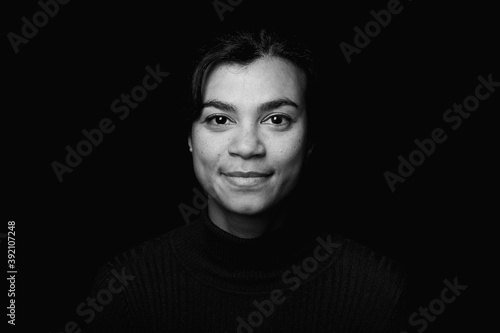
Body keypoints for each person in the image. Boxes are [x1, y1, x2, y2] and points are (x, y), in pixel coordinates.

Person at [88, 28, 410, 333]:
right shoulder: (126, 291)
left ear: (310, 138)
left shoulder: (377, 294)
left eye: (276, 119)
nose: (247, 147)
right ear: (189, 136)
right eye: (219, 119)